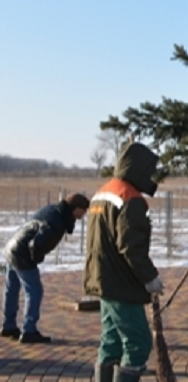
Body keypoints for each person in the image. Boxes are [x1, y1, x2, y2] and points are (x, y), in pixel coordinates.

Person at [84, 142, 164, 382]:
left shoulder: (103, 192)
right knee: (138, 341)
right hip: (120, 283)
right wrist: (150, 278)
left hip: (101, 278)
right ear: (138, 169)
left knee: (111, 341)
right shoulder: (130, 198)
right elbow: (131, 247)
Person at [2, 193, 90, 343]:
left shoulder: (53, 211)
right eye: (84, 210)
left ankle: (8, 325)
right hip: (23, 253)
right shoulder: (57, 220)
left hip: (13, 247)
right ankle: (29, 330)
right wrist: (35, 258)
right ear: (76, 208)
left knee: (12, 289)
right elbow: (36, 243)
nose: (85, 213)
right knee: (34, 290)